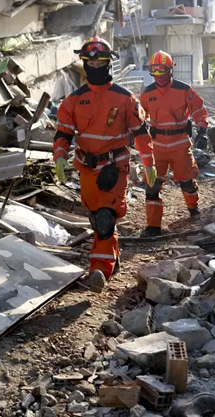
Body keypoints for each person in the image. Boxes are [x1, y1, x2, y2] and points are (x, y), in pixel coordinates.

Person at [53, 37, 157, 292]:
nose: (96, 66)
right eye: (91, 61)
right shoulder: (74, 101)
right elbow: (63, 134)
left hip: (115, 166)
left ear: (110, 63)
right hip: (86, 167)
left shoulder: (125, 99)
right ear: (84, 64)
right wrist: (59, 157)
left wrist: (149, 163)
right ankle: (113, 255)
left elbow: (141, 133)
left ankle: (100, 270)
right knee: (95, 216)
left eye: (101, 61)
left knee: (105, 218)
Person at [140, 51, 209, 237]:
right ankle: (153, 226)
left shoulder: (184, 90)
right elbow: (138, 117)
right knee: (152, 185)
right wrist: (135, 133)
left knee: (186, 182)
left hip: (180, 144)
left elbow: (199, 111)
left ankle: (193, 208)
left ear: (171, 71)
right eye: (156, 74)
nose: (160, 78)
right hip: (157, 146)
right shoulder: (147, 94)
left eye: (163, 74)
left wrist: (202, 130)